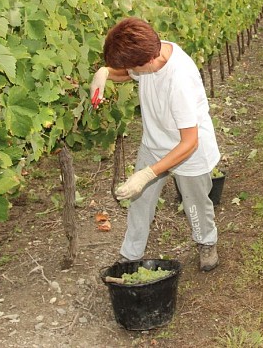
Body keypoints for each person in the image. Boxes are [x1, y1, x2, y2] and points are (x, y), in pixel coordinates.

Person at [90, 18, 220, 271]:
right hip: (154, 143)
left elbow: (190, 141)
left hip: (189, 152)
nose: (129, 71)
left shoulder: (178, 80)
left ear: (146, 62)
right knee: (139, 200)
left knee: (195, 205)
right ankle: (130, 254)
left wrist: (148, 173)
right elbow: (127, 73)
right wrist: (104, 73)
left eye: (132, 66)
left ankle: (206, 242)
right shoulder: (152, 51)